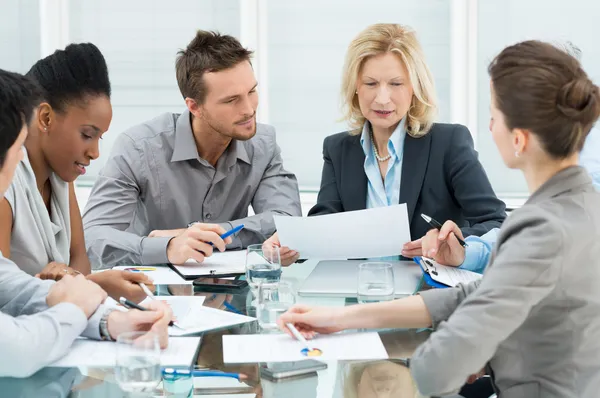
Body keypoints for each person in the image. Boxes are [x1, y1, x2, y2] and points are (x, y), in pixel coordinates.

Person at [278, 40, 600, 397]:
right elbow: (473, 296)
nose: (489, 126)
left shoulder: (540, 229)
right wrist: (340, 319)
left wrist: (474, 352)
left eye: (493, 116)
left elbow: (435, 370)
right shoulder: (582, 206)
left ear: (519, 140)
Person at [264, 23, 505, 265]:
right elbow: (326, 223)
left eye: (396, 84)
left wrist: (451, 241)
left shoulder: (448, 143)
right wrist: (288, 243)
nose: (382, 98)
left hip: (427, 291)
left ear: (414, 87)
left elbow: (496, 223)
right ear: (355, 87)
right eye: (370, 84)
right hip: (359, 293)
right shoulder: (338, 149)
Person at [0, 68, 172, 378]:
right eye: (16, 151)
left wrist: (111, 321)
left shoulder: (60, 178)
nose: (17, 163)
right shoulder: (13, 189)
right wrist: (77, 306)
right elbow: (16, 350)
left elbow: (12, 287)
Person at [82, 30, 301, 269]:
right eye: (231, 100)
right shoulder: (138, 148)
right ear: (194, 106)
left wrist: (217, 235)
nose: (249, 109)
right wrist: (168, 246)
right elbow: (91, 239)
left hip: (231, 293)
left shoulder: (263, 144)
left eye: (251, 91)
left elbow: (287, 222)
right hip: (152, 292)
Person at [0, 43, 154, 302]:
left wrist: (71, 280)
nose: (94, 152)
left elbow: (80, 258)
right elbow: (2, 291)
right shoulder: (6, 183)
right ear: (46, 118)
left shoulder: (61, 174)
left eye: (99, 138)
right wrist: (88, 285)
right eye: (87, 135)